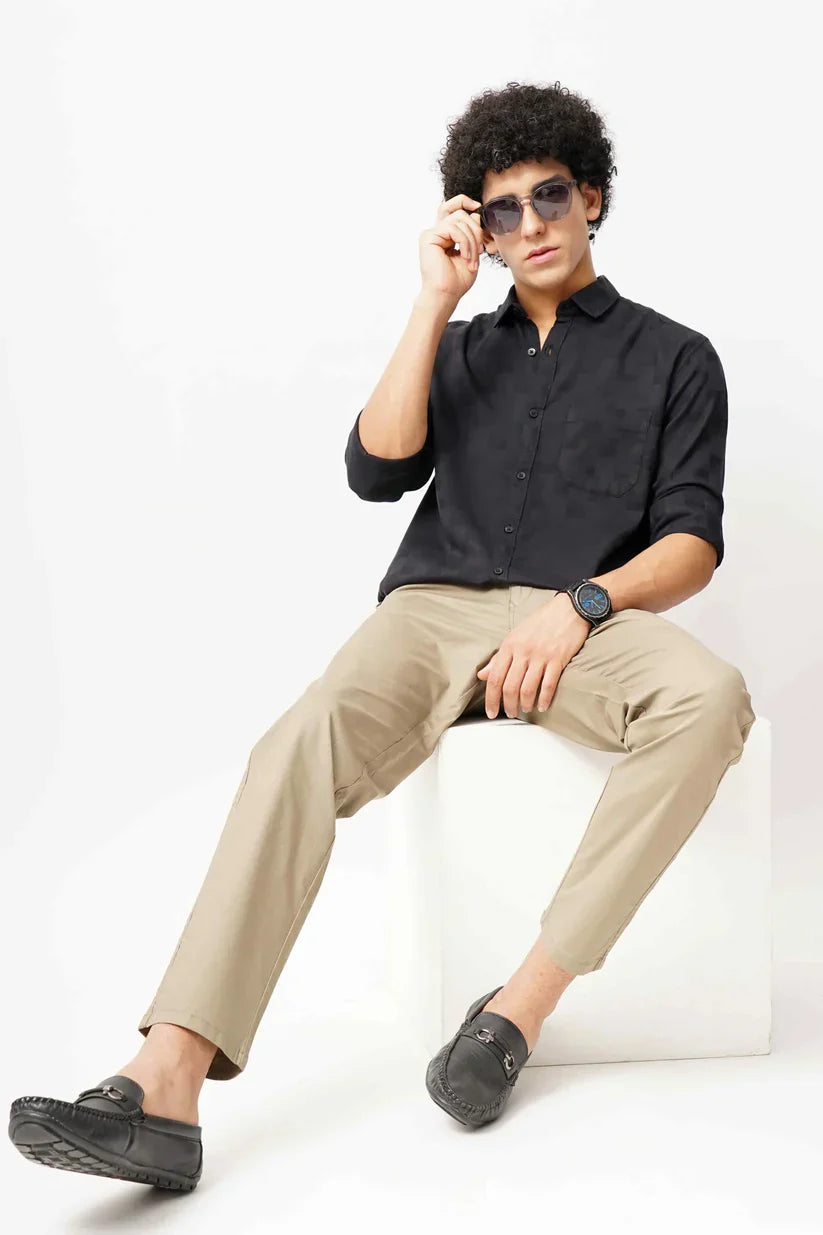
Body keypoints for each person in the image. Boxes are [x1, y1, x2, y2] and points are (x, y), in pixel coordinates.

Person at [9, 79, 756, 1184]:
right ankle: (164, 1085)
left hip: (582, 622)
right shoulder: (456, 348)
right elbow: (374, 467)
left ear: (590, 197)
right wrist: (429, 302)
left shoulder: (675, 356)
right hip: (431, 611)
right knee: (298, 741)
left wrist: (580, 603)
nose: (531, 222)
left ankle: (512, 1011)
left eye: (550, 194)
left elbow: (691, 543)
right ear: (478, 229)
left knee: (711, 699)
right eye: (500, 209)